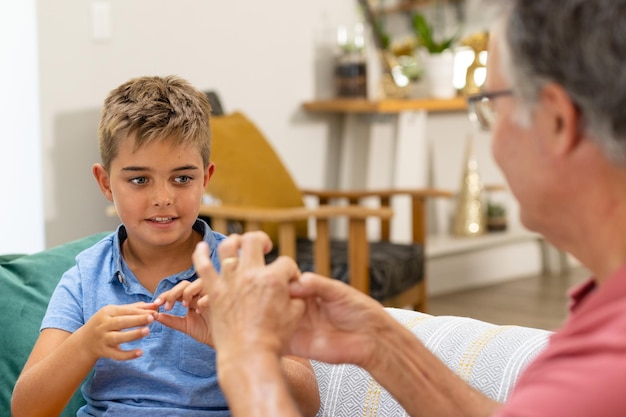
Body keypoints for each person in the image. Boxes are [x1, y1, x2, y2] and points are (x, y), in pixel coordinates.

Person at [155, 1, 626, 416]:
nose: (492, 136)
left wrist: (244, 355)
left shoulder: (607, 367)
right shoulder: (602, 320)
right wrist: (380, 342)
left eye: (490, 105)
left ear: (557, 120)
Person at [11, 75, 320, 417]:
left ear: (205, 178)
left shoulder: (240, 272)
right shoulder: (85, 277)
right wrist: (85, 344)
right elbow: (26, 409)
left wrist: (241, 342)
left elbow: (306, 404)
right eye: (139, 180)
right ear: (105, 183)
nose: (162, 198)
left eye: (182, 178)